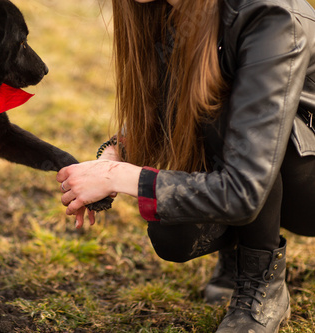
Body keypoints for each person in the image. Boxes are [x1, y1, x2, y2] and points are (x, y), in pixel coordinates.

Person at [57, 0, 315, 331]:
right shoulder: (163, 9)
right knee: (173, 234)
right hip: (257, 165)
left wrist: (116, 177)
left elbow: (244, 189)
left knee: (221, 101)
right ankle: (238, 250)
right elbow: (163, 101)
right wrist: (114, 153)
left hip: (304, 178)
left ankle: (260, 280)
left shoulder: (268, 17)